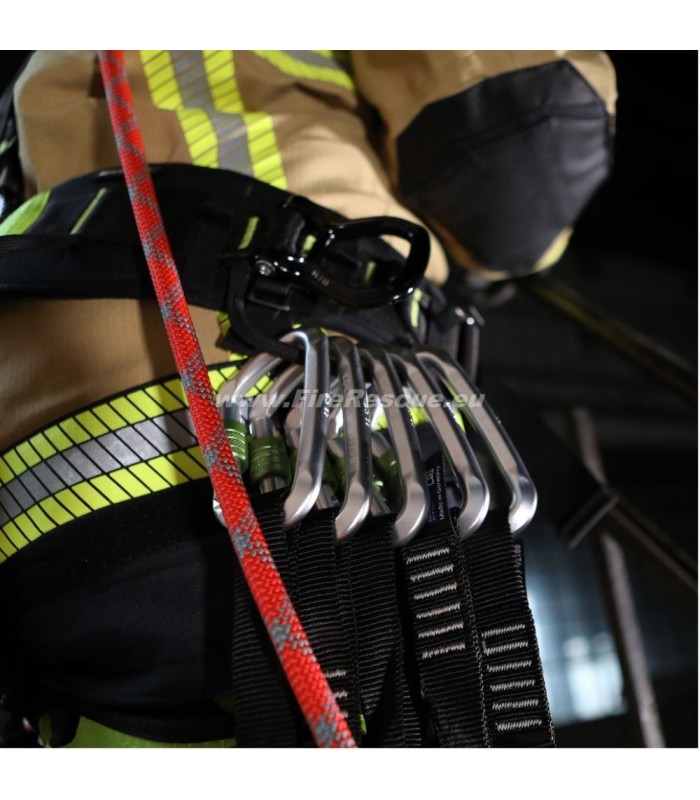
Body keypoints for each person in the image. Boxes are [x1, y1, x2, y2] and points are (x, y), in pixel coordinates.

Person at [0, 50, 616, 747]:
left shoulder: (46, 77)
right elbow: (535, 121)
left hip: (35, 499)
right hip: (267, 418)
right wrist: (500, 265)